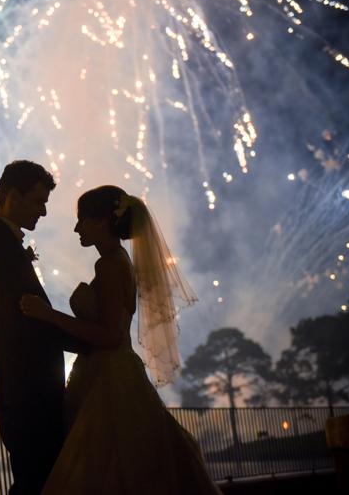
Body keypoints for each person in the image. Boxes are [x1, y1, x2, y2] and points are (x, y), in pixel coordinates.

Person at [20, 185, 222, 494]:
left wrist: (49, 316)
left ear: (102, 221)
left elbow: (111, 336)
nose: (76, 228)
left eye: (82, 220)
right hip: (108, 375)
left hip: (109, 379)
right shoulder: (116, 262)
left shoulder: (111, 264)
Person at [0, 160, 88, 495]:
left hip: (28, 391)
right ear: (12, 196)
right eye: (38, 202)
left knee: (41, 481)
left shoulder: (1, 244)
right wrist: (95, 340)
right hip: (26, 392)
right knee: (39, 482)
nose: (44, 213)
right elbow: (27, 321)